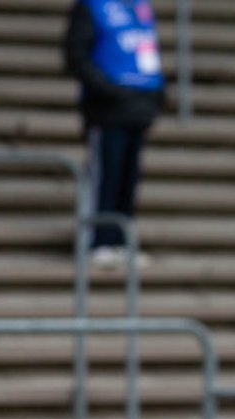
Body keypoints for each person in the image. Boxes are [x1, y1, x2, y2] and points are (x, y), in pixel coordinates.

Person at [64, 0, 166, 269]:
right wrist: (110, 92)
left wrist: (154, 97)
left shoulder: (140, 8)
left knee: (128, 180)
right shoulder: (92, 7)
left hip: (138, 110)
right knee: (104, 177)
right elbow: (76, 56)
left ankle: (120, 240)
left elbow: (148, 53)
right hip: (107, 111)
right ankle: (97, 241)